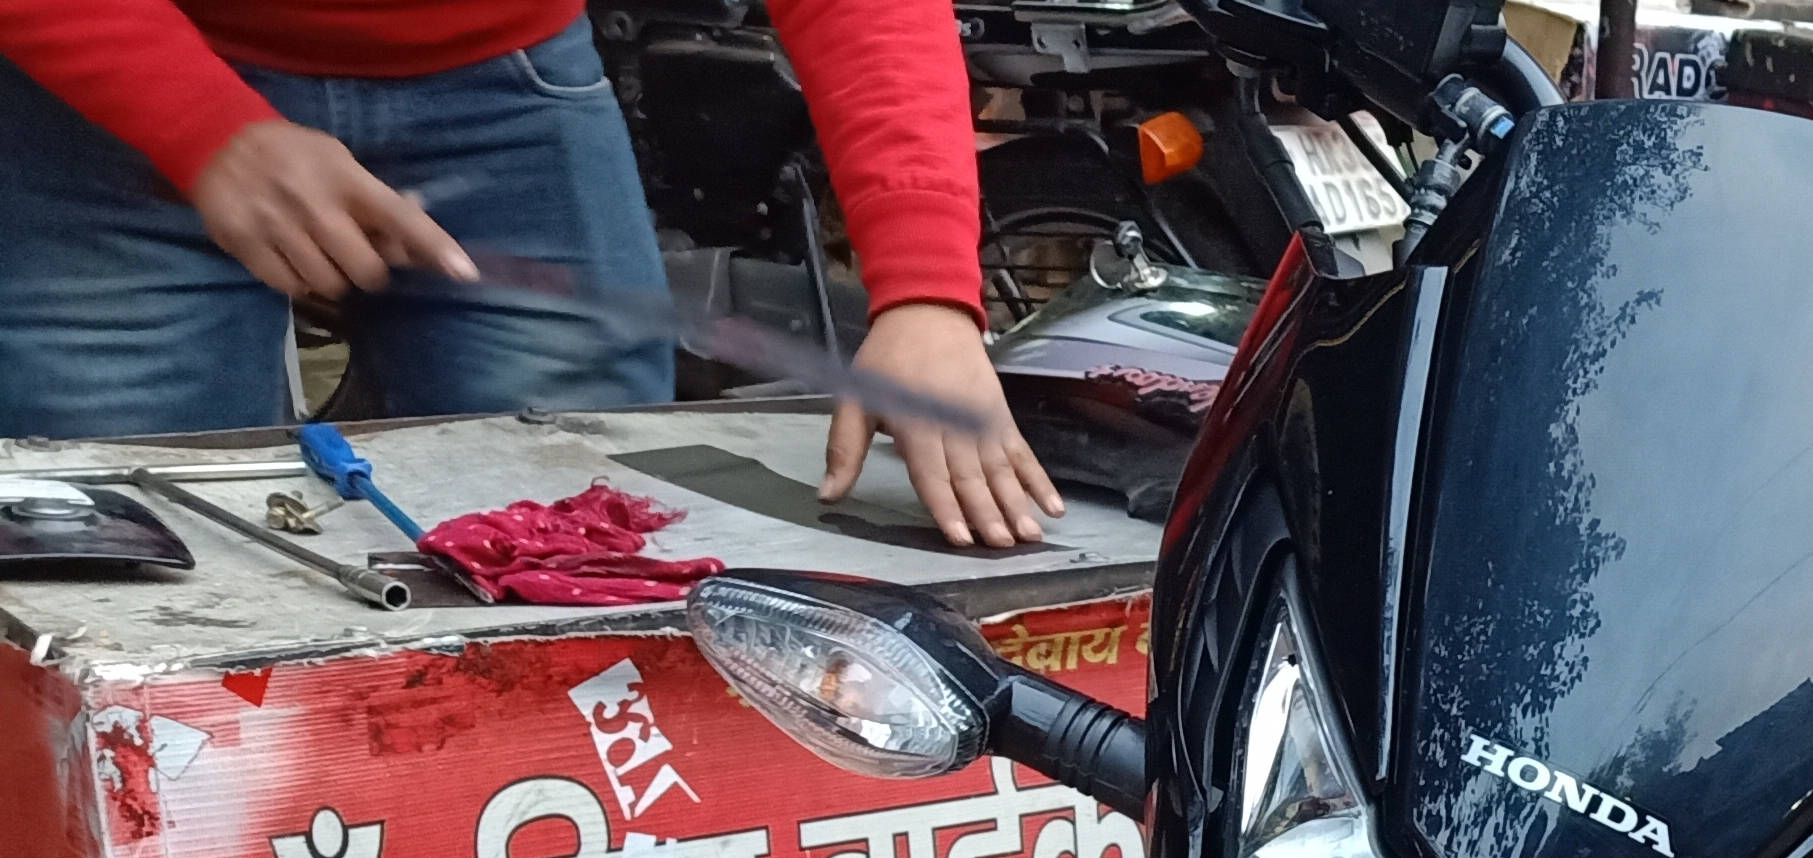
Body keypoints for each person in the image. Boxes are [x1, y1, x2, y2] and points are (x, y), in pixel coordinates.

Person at [0, 0, 1063, 546]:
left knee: (570, 554)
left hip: (500, 78)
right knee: (110, 556)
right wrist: (194, 124)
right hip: (109, 95)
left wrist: (927, 295)